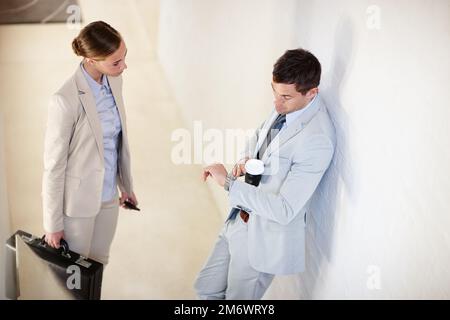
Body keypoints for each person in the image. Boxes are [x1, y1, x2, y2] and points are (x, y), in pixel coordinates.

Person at [195, 48, 336, 299]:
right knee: (206, 289)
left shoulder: (318, 139)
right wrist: (245, 160)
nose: (276, 103)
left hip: (261, 241)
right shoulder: (288, 105)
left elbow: (284, 210)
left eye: (285, 97)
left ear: (311, 92)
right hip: (238, 219)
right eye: (274, 92)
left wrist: (228, 183)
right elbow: (260, 136)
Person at [42, 21, 138, 265]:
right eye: (116, 62)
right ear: (90, 59)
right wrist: (52, 224)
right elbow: (53, 167)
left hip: (108, 197)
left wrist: (125, 187)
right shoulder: (64, 100)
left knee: (98, 263)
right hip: (78, 204)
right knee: (73, 272)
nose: (124, 66)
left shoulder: (115, 80)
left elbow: (117, 142)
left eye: (124, 57)